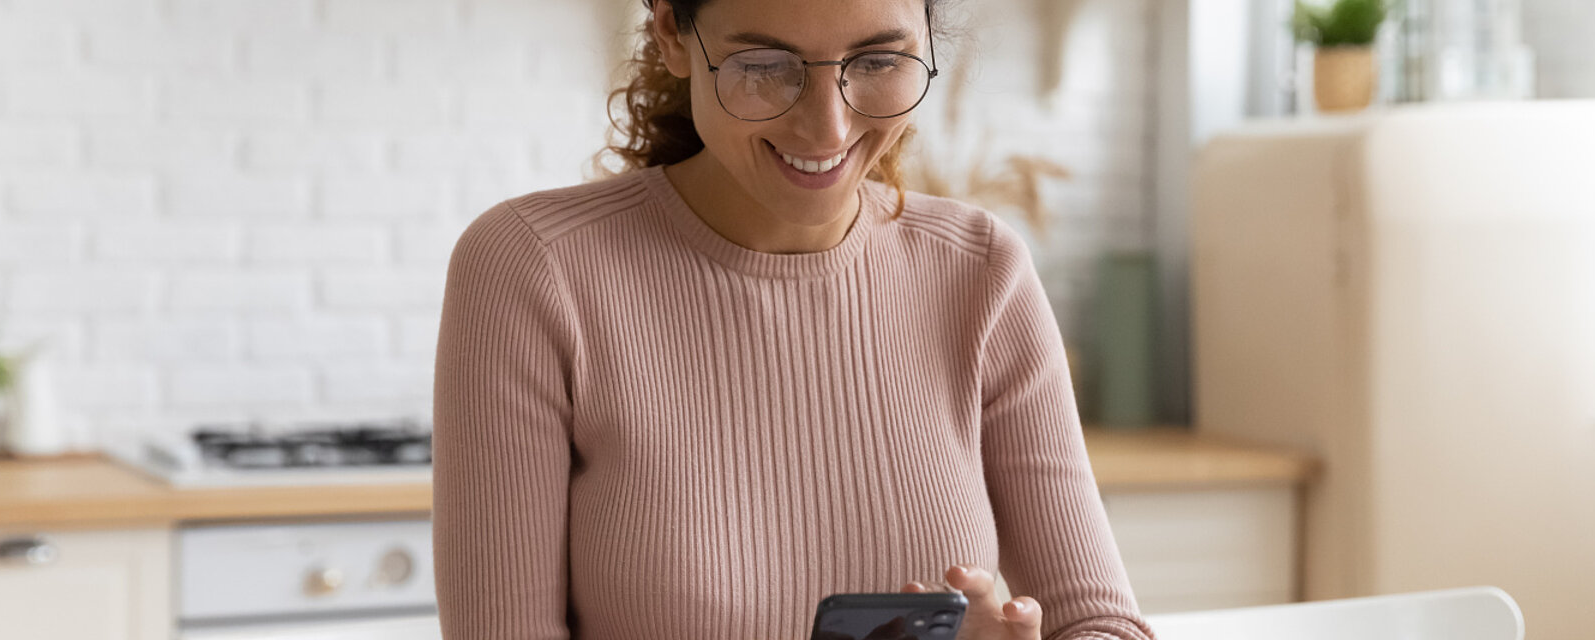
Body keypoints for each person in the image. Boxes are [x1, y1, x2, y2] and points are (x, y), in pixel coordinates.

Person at [430, 0, 1157, 637]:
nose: (827, 124)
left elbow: (1100, 621)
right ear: (671, 35)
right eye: (764, 64)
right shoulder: (534, 267)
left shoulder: (980, 269)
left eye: (877, 59)